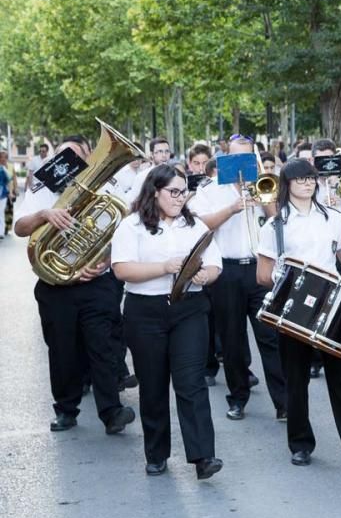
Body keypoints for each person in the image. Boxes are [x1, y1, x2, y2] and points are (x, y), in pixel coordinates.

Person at [253, 159, 341, 467]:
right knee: (296, 379)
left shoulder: (333, 218)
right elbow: (262, 274)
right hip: (294, 303)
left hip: (330, 300)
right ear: (288, 184)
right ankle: (300, 444)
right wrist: (281, 276)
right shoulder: (276, 225)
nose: (308, 184)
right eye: (301, 180)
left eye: (311, 179)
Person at [14, 138, 137, 435]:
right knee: (61, 350)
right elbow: (19, 227)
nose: (68, 161)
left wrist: (105, 262)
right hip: (56, 284)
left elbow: (123, 228)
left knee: (103, 346)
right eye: (62, 156)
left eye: (76, 155)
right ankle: (66, 410)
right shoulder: (41, 188)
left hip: (96, 282)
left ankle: (112, 412)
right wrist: (45, 215)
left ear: (88, 158)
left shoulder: (105, 186)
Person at [110, 165, 222, 479]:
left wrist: (205, 274)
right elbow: (121, 269)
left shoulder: (195, 224)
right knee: (154, 384)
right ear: (155, 191)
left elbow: (215, 265)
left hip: (189, 307)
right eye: (173, 191)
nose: (179, 197)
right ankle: (156, 454)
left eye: (183, 191)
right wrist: (164, 267)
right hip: (145, 310)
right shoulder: (132, 226)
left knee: (191, 383)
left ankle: (204, 457)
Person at [188, 135, 287, 421]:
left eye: (248, 157)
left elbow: (278, 220)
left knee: (270, 336)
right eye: (237, 157)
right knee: (232, 339)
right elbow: (200, 225)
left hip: (260, 267)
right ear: (226, 158)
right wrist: (232, 207)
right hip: (227, 270)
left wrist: (263, 199)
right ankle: (238, 397)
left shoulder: (265, 182)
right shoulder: (210, 189)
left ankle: (283, 402)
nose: (243, 163)